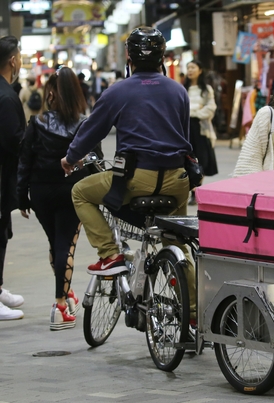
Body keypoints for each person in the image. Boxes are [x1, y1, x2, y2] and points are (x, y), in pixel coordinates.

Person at [60, 27, 196, 322]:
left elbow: (91, 130)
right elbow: (184, 135)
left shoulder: (118, 91)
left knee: (80, 192)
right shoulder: (178, 91)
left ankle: (110, 254)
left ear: (128, 56)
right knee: (177, 242)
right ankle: (194, 312)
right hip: (177, 180)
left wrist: (70, 159)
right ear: (162, 56)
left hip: (137, 179)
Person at [17, 67, 88, 330]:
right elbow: (93, 163)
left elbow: (25, 161)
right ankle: (59, 305)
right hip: (71, 192)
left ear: (51, 93)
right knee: (65, 246)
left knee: (55, 243)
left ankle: (66, 292)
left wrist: (21, 196)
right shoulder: (83, 124)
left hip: (40, 192)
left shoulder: (37, 122)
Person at [0, 35, 25, 320]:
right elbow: (13, 140)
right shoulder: (5, 96)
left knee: (3, 232)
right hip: (2, 176)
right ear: (12, 60)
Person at [184, 60, 218, 205]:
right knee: (187, 159)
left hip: (201, 128)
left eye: (193, 67)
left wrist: (194, 112)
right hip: (185, 128)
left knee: (201, 160)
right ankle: (190, 190)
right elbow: (180, 109)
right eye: (188, 68)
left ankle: (197, 190)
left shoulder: (206, 89)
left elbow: (210, 108)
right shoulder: (182, 89)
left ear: (200, 70)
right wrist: (197, 107)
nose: (190, 70)